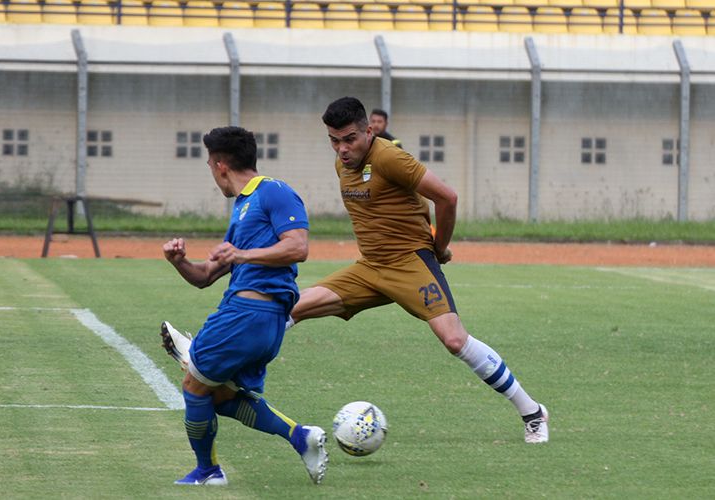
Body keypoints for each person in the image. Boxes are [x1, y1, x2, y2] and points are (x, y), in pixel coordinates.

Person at [164, 98, 549, 445]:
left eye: (350, 139)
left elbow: (446, 196)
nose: (343, 149)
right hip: (369, 268)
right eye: (334, 141)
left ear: (369, 131)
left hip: (409, 264)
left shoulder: (389, 158)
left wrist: (439, 246)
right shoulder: (342, 164)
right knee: (289, 308)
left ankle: (532, 411)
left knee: (453, 340)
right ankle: (209, 358)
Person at [161, 126, 328, 486]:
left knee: (193, 386)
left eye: (209, 164)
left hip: (249, 315)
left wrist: (243, 254)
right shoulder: (242, 210)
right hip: (257, 321)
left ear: (221, 165)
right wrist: (179, 262)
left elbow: (298, 247)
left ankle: (209, 471)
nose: (212, 174)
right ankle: (301, 437)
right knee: (218, 397)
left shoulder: (274, 192)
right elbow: (206, 275)